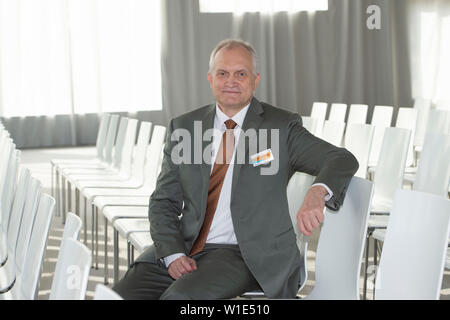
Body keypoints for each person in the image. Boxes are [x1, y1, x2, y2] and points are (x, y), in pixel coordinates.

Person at [113, 39, 358, 299]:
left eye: (241, 73)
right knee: (120, 295)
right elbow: (163, 202)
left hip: (246, 253)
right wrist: (173, 254)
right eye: (223, 73)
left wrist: (317, 192)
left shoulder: (280, 127)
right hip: (187, 245)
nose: (231, 81)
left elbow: (341, 158)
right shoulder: (185, 128)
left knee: (180, 299)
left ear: (256, 79)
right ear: (210, 78)